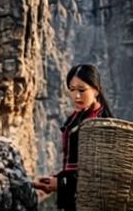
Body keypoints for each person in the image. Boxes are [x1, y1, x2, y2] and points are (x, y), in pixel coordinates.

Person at [33, 64, 114, 211]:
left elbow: (98, 176)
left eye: (82, 90)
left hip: (91, 203)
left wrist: (60, 183)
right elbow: (74, 167)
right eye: (72, 90)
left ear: (96, 90)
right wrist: (52, 181)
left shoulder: (102, 124)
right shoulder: (78, 117)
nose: (76, 96)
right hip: (72, 198)